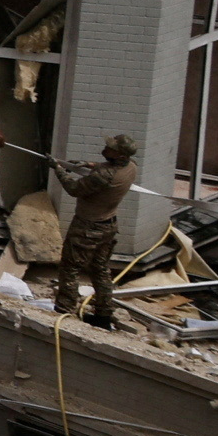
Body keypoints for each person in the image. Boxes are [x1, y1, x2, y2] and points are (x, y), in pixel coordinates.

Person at [50, 137, 137, 329]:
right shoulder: (131, 167)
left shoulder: (104, 176)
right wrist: (89, 165)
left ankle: (64, 311)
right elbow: (107, 168)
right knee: (100, 270)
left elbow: (74, 189)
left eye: (110, 149)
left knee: (70, 266)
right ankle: (103, 315)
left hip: (87, 226)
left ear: (120, 155)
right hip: (108, 225)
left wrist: (58, 169)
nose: (106, 148)